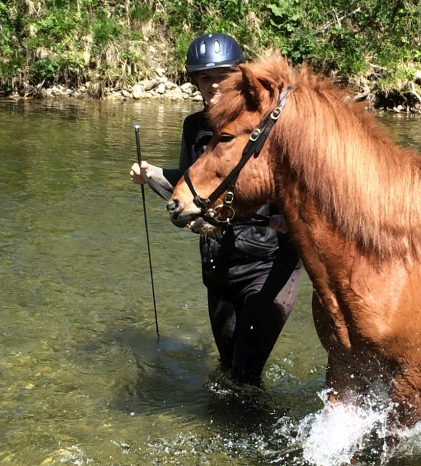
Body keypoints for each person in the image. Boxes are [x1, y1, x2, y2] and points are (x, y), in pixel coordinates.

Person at [129, 32, 301, 386]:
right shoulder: (195, 127)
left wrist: (289, 217)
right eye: (205, 78)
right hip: (218, 265)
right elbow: (193, 183)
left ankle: (259, 435)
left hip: (268, 262)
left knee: (244, 373)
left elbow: (298, 183)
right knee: (227, 369)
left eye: (222, 76)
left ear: (239, 77)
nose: (214, 85)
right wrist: (152, 175)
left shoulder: (264, 123)